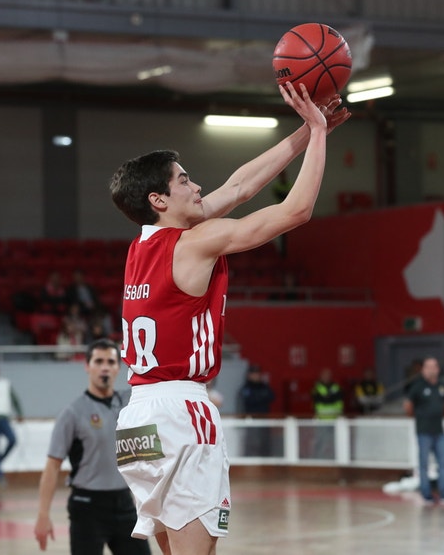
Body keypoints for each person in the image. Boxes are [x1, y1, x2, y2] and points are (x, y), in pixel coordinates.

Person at [109, 81, 349, 555]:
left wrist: (307, 131)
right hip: (182, 411)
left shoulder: (141, 247)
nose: (197, 186)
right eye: (184, 181)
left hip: (137, 417)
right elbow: (296, 211)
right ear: (159, 200)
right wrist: (320, 136)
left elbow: (240, 187)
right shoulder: (193, 243)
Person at [34, 339, 151, 555]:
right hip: (87, 507)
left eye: (110, 362)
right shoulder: (73, 413)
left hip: (125, 503)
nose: (105, 367)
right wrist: (43, 515)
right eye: (98, 361)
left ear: (118, 368)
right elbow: (52, 466)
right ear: (87, 366)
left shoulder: (130, 404)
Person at [403, 356, 444, 506]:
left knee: (443, 463)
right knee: (424, 463)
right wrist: (418, 417)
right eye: (428, 367)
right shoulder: (418, 386)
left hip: (439, 430)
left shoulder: (442, 386)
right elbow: (408, 405)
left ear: (438, 369)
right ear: (423, 370)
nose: (431, 370)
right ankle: (426, 494)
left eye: (434, 367)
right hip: (424, 431)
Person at [238, 365, 276, 456]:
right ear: (249, 375)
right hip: (251, 420)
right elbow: (250, 401)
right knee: (252, 443)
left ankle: (266, 461)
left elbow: (271, 396)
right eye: (253, 374)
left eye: (257, 374)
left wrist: (259, 397)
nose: (256, 376)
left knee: (265, 443)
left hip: (264, 419)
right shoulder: (246, 388)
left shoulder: (264, 386)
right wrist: (261, 397)